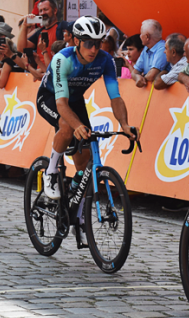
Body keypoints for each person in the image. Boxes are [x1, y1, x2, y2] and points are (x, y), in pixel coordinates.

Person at [36, 16, 137, 214]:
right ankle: (51, 171)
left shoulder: (105, 60)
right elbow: (61, 104)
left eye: (98, 43)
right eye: (89, 43)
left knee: (84, 162)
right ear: (76, 41)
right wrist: (77, 125)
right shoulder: (62, 60)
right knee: (67, 126)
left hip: (75, 101)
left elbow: (115, 97)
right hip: (50, 98)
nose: (94, 49)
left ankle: (77, 208)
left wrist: (124, 124)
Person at [21, 0, 68, 69]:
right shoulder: (40, 32)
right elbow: (21, 48)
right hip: (40, 75)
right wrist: (24, 26)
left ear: (55, 11)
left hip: (55, 72)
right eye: (40, 11)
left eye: (45, 9)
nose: (43, 13)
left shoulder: (61, 27)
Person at [131, 19, 166, 88]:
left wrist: (141, 78)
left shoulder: (163, 48)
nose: (140, 36)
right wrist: (137, 78)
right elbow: (134, 72)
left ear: (147, 37)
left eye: (141, 34)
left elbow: (152, 75)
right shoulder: (146, 49)